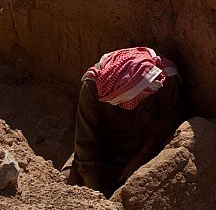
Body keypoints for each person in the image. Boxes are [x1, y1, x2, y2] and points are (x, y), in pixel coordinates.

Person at [71, 47, 184, 196]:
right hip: (106, 152)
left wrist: (141, 158)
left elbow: (168, 122)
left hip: (147, 152)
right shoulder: (93, 87)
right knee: (68, 186)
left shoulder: (164, 79)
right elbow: (86, 146)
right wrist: (96, 194)